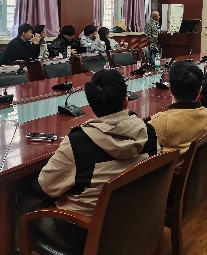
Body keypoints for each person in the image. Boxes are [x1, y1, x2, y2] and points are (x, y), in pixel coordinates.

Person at [37, 69, 159, 248]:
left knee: (25, 202)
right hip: (137, 220)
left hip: (88, 232)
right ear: (126, 101)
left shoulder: (78, 143)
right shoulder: (149, 133)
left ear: (91, 105)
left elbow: (47, 186)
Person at [149, 61, 207, 165]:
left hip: (171, 174)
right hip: (200, 171)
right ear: (200, 90)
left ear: (170, 90)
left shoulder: (159, 122)